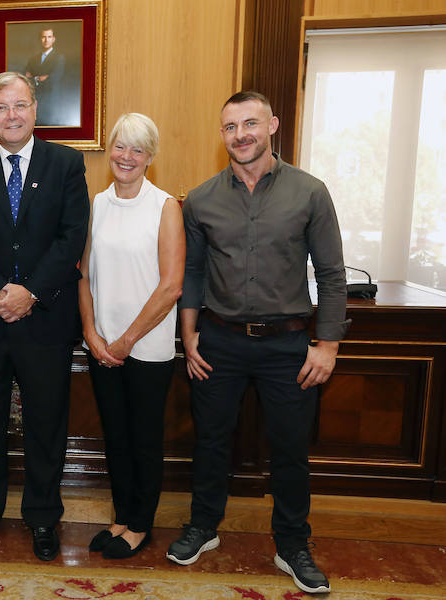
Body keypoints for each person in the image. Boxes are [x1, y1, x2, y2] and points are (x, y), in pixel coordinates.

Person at [167, 91, 349, 595]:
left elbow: (332, 275)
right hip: (219, 342)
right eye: (230, 126)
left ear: (271, 125)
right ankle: (203, 526)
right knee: (209, 440)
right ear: (221, 134)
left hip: (288, 347)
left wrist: (327, 345)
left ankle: (292, 544)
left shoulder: (310, 192)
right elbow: (195, 271)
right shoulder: (202, 199)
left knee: (290, 450)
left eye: (250, 123)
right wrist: (189, 334)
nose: (240, 134)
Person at [0, 72, 89, 561]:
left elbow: (72, 236)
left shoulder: (66, 163)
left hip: (45, 319)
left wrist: (29, 291)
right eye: (1, 107)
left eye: (20, 105)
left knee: (46, 424)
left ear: (35, 109)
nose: (11, 115)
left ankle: (44, 517)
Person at [78, 113, 184, 559]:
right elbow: (82, 274)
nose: (126, 156)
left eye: (137, 150)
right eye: (120, 146)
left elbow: (171, 285)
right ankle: (120, 519)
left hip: (147, 347)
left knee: (143, 440)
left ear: (150, 158)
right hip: (101, 346)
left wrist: (125, 341)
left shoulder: (165, 207)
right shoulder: (97, 204)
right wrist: (91, 332)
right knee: (115, 438)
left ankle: (140, 524)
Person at [24, 28, 65, 125]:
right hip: (34, 99)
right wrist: (41, 77)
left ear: (53, 39)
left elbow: (54, 78)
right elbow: (25, 77)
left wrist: (34, 77)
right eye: (43, 37)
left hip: (51, 100)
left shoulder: (59, 58)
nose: (46, 40)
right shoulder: (33, 59)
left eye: (49, 37)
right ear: (40, 39)